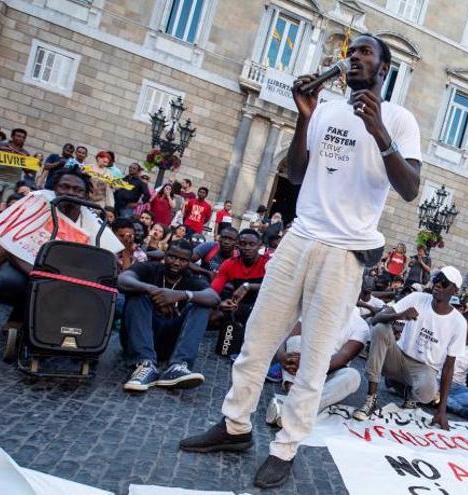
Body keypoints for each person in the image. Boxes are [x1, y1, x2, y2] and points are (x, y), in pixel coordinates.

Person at [179, 34, 423, 489]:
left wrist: (380, 133)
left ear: (384, 70)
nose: (354, 58)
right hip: (299, 238)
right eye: (351, 53)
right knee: (257, 340)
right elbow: (293, 173)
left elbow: (410, 188)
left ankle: (286, 447)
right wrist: (303, 117)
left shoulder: (400, 119)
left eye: (365, 53)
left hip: (344, 251)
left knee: (313, 359)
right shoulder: (328, 110)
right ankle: (234, 426)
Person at [0, 171, 123, 327]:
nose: (71, 192)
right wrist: (37, 272)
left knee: (114, 303)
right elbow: (9, 245)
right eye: (65, 187)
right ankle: (20, 315)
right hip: (26, 267)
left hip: (68, 276)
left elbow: (105, 259)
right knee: (7, 282)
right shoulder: (37, 203)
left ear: (85, 195)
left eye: (78, 190)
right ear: (54, 188)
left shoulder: (93, 222)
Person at [354, 265, 464, 416]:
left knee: (428, 393)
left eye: (444, 282)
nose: (438, 284)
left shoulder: (458, 322)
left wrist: (441, 410)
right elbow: (376, 319)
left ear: (455, 290)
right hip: (397, 358)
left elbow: (449, 367)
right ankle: (371, 398)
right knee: (380, 328)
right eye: (437, 279)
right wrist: (399, 316)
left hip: (424, 369)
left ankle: (408, 392)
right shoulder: (417, 298)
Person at [118, 240, 219, 391]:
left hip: (168, 343)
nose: (177, 263)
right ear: (165, 255)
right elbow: (123, 280)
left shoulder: (191, 279)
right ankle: (145, 364)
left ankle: (179, 366)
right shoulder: (150, 268)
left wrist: (180, 295)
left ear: (189, 262)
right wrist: (153, 291)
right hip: (139, 338)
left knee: (202, 305)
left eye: (183, 260)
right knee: (137, 295)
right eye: (172, 257)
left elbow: (214, 297)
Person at [267, 306, 369, 427]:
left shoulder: (360, 326)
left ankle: (294, 408)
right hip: (301, 369)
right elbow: (289, 338)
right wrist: (281, 356)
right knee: (296, 342)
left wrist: (309, 364)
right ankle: (297, 404)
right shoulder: (314, 307)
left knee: (353, 376)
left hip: (327, 371)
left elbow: (342, 358)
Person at [213, 230, 266, 326]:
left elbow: (278, 288)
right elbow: (214, 291)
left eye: (252, 244)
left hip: (263, 307)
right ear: (237, 246)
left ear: (260, 246)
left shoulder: (268, 263)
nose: (247, 248)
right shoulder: (229, 263)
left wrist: (248, 286)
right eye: (243, 244)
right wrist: (220, 304)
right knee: (212, 315)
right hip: (237, 306)